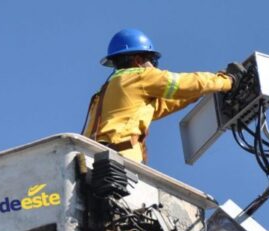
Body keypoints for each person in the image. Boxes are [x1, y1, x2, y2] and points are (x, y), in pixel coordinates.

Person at [83, 28, 244, 164]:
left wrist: (197, 93)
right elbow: (184, 84)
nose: (152, 66)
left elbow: (162, 105)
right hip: (119, 161)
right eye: (151, 61)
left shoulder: (111, 89)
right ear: (138, 60)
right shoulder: (140, 76)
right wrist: (227, 81)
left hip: (93, 161)